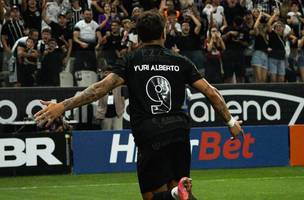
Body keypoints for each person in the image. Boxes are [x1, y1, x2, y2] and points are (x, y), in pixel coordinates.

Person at [35, 10, 243, 200]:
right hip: (179, 132)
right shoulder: (181, 61)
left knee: (152, 196)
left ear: (139, 37)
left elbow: (98, 89)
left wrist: (61, 106)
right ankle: (176, 193)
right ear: (163, 33)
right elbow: (211, 92)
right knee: (182, 193)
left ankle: (173, 194)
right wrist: (231, 121)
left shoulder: (130, 60)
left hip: (150, 133)